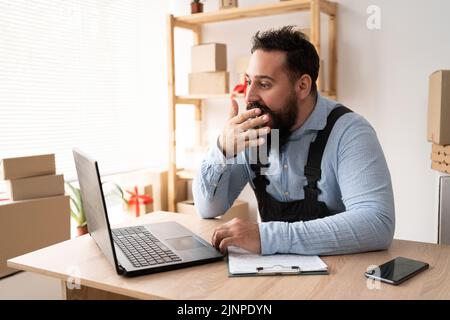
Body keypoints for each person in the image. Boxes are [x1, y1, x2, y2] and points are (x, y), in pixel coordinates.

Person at [192, 26, 395, 256]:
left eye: (264, 84)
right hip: (272, 277)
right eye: (248, 81)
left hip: (339, 277)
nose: (249, 96)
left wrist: (267, 237)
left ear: (302, 86)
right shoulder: (256, 131)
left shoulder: (350, 132)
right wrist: (222, 149)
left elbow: (377, 223)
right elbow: (208, 208)